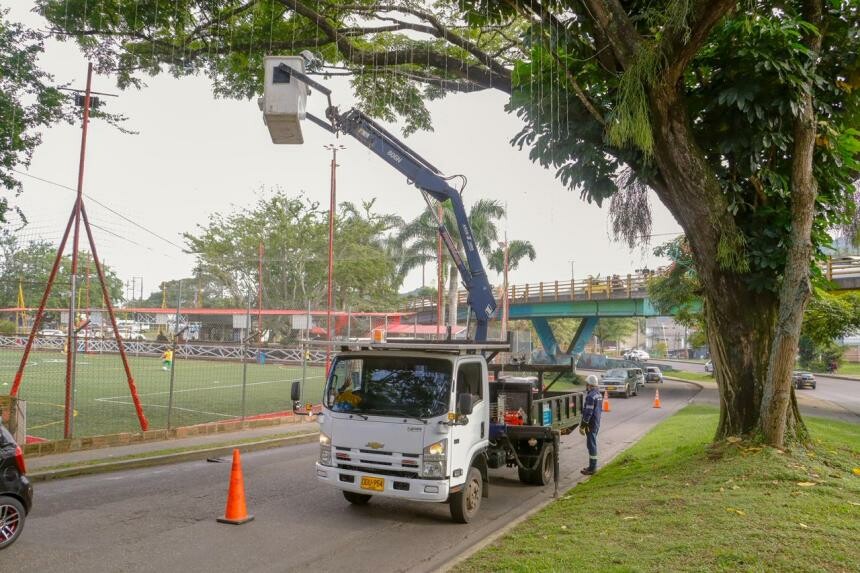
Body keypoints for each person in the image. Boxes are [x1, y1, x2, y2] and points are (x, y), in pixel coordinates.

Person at [580, 375, 603, 475]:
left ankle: (592, 468)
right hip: (596, 423)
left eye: (587, 384)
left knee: (591, 445)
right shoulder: (598, 394)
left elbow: (588, 412)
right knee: (591, 444)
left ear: (590, 384)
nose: (586, 386)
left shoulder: (590, 396)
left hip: (591, 424)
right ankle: (591, 466)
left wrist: (583, 426)